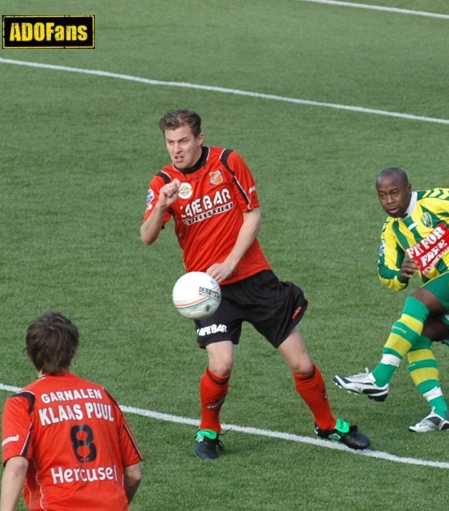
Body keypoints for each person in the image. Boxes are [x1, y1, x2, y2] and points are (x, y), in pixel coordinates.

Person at [141, 109, 370, 459]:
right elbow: (147, 237)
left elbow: (253, 215)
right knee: (221, 364)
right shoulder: (163, 183)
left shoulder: (228, 162)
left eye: (183, 141)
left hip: (254, 279)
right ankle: (209, 430)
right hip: (210, 291)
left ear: (199, 139)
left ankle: (327, 425)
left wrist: (231, 261)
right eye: (171, 143)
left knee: (301, 364)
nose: (177, 149)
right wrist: (161, 207)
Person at [0, 312, 145, 511]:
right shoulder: (103, 396)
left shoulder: (25, 402)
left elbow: (17, 465)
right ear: (73, 351)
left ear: (31, 354)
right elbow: (133, 473)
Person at [334, 168, 449, 432]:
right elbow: (385, 272)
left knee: (419, 301)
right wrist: (399, 274)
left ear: (408, 189)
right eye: (382, 196)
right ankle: (442, 413)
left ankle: (379, 378)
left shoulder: (433, 201)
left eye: (394, 193)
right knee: (417, 338)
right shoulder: (391, 230)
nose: (389, 201)